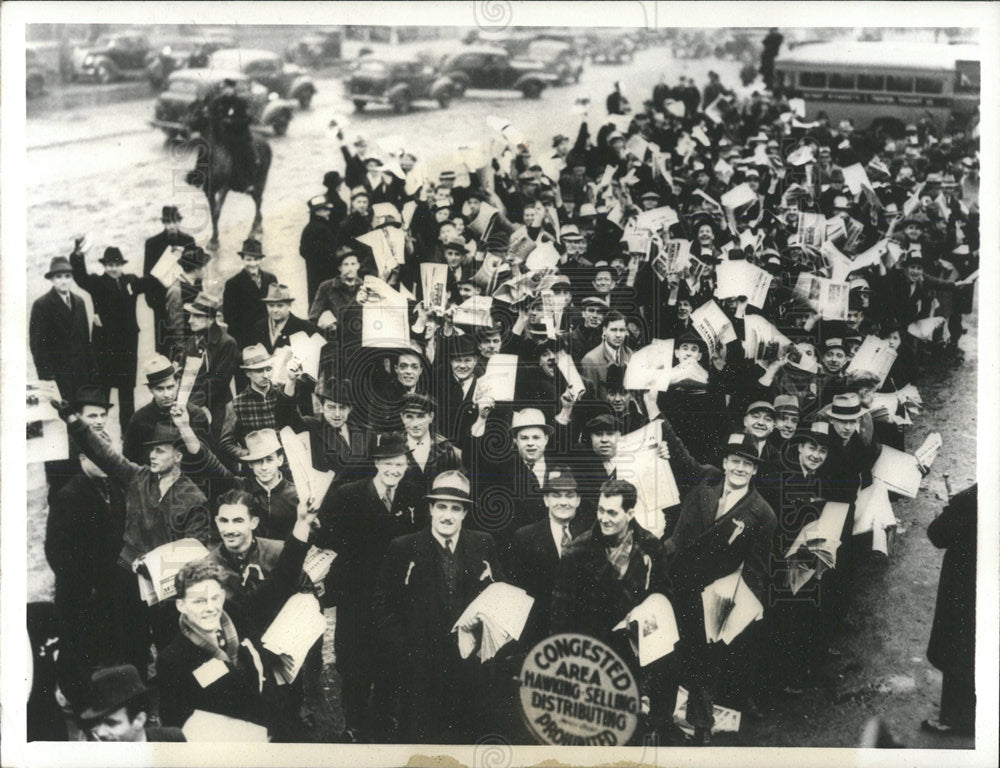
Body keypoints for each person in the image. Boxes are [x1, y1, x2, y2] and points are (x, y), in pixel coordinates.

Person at [52, 398, 213, 681]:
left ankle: (168, 701)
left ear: (178, 456)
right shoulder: (137, 477)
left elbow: (196, 549)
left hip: (167, 588)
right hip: (127, 578)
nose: (151, 456)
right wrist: (74, 422)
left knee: (168, 646)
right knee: (131, 644)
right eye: (151, 450)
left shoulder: (194, 498)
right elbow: (103, 454)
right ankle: (138, 699)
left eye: (160, 451)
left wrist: (155, 567)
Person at [155, 494, 316, 738]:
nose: (209, 608)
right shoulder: (174, 659)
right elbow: (176, 725)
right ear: (181, 605)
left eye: (214, 598)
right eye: (198, 601)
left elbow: (281, 580)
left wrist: (302, 523)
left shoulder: (236, 620)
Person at [372, 471, 504, 744]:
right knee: (421, 742)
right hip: (421, 670)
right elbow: (382, 604)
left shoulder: (483, 544)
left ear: (465, 513)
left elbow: (498, 596)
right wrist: (406, 650)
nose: (447, 515)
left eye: (456, 508)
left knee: (466, 741)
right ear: (430, 509)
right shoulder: (404, 547)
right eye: (441, 506)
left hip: (469, 667)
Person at [662, 433, 777, 745]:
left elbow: (756, 569)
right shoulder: (707, 480)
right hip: (677, 579)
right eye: (735, 461)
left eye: (747, 464)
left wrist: (738, 607)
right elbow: (680, 454)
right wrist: (653, 408)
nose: (740, 468)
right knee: (668, 648)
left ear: (755, 470)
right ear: (725, 463)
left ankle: (701, 723)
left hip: (713, 594)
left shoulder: (762, 512)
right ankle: (660, 714)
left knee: (705, 659)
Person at [312, 432, 425, 742]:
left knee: (392, 658)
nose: (394, 469)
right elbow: (327, 541)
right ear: (377, 463)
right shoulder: (348, 495)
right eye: (388, 463)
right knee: (354, 661)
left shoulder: (414, 495)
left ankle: (384, 719)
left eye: (399, 463)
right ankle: (355, 724)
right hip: (357, 594)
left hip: (395, 596)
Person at [70, 243, 147, 432]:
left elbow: (152, 282)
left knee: (127, 392)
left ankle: (127, 433)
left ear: (122, 266)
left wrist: (173, 263)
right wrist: (78, 255)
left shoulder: (131, 281)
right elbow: (80, 278)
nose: (114, 268)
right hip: (105, 346)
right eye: (110, 265)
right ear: (105, 266)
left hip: (128, 346)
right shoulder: (97, 282)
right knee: (102, 392)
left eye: (117, 264)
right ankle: (98, 434)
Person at [922, 483, 976, 737]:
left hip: (965, 584)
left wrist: (942, 513)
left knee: (959, 646)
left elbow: (938, 534)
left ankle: (955, 717)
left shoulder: (970, 499)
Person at [122, 355, 211, 465]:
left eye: (170, 387)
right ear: (150, 390)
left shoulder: (196, 415)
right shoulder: (139, 419)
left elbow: (208, 459)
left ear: (177, 384)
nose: (167, 395)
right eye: (159, 389)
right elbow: (129, 460)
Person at [30, 255, 95, 400]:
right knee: (68, 416)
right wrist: (48, 379)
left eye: (67, 276)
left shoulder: (79, 302)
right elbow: (38, 347)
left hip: (81, 373)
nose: (64, 281)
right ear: (52, 279)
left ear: (72, 278)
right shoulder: (41, 305)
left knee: (84, 414)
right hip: (60, 375)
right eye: (59, 276)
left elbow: (85, 340)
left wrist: (91, 372)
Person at [181, 292, 239, 442]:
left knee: (218, 449)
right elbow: (182, 373)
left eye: (197, 316)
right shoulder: (192, 341)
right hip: (191, 405)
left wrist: (192, 404)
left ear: (211, 319)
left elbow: (217, 383)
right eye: (190, 315)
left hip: (217, 408)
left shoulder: (227, 343)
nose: (190, 320)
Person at [78, 665, 185, 742]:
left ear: (139, 719)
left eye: (111, 723)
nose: (100, 732)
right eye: (97, 723)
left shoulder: (172, 740)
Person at [143, 205, 195, 356]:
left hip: (185, 302)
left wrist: (196, 301)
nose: (171, 226)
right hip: (161, 303)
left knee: (188, 348)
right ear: (163, 223)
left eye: (174, 222)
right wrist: (153, 303)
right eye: (168, 222)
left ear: (179, 222)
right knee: (164, 350)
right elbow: (147, 276)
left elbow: (195, 272)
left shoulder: (188, 241)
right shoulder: (152, 244)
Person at [218, 345, 280, 468]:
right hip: (256, 468)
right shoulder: (236, 405)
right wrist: (250, 455)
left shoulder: (283, 396)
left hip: (286, 464)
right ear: (248, 373)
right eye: (259, 370)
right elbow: (226, 444)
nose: (266, 375)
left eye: (268, 369)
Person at [222, 238, 278, 367]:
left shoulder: (271, 279)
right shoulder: (233, 284)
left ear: (261, 260)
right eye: (248, 259)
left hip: (268, 338)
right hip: (245, 340)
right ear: (243, 259)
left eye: (256, 259)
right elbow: (230, 319)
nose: (252, 263)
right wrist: (240, 350)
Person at [163, 244, 211, 361]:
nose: (206, 269)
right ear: (196, 268)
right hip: (184, 349)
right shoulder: (176, 290)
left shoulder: (196, 283)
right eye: (204, 266)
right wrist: (182, 354)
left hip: (197, 343)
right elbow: (176, 327)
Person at [208, 77, 256, 192]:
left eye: (228, 88)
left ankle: (245, 182)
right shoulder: (217, 102)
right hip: (219, 135)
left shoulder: (240, 103)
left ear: (233, 89)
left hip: (237, 134)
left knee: (241, 153)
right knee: (204, 149)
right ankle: (199, 175)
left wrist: (233, 122)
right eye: (223, 88)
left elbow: (248, 119)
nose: (225, 91)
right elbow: (211, 115)